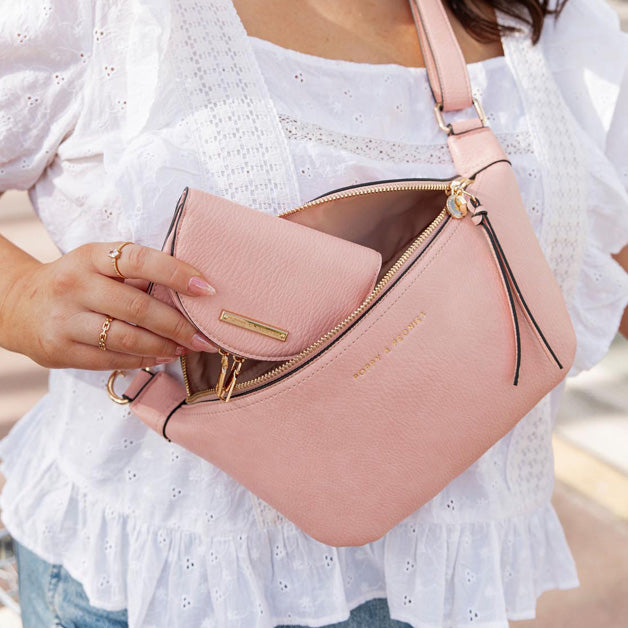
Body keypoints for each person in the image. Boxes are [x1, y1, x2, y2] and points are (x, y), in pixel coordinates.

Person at [1, 0, 627, 627]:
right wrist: (23, 297)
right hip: (170, 581)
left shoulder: (558, 24)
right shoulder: (110, 16)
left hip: (446, 582)